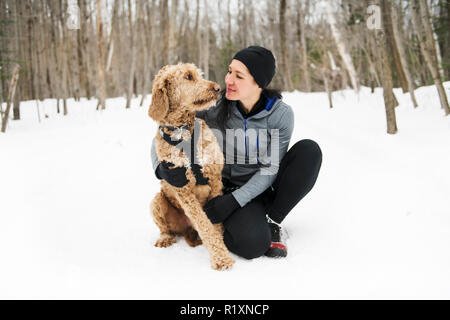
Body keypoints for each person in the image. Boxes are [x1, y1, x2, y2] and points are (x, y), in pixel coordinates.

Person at [151, 46, 322, 259]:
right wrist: (161, 169)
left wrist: (234, 202)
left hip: (260, 188)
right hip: (222, 190)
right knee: (251, 245)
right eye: (229, 71)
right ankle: (249, 220)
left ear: (258, 83)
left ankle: (272, 219)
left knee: (309, 151)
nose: (228, 80)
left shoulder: (280, 115)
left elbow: (270, 170)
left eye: (238, 76)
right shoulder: (212, 105)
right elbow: (168, 129)